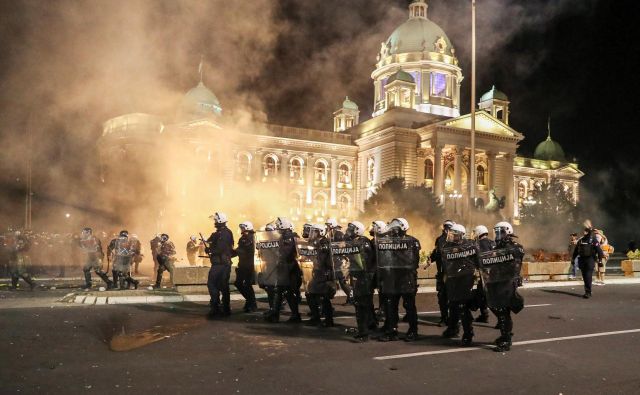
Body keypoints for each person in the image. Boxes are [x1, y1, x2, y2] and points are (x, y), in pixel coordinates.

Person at [479, 221, 526, 352]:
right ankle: (506, 334)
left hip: (507, 283)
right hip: (496, 282)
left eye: (500, 232)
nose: (497, 235)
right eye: (496, 232)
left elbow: (517, 255)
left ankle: (506, 340)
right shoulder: (496, 246)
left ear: (508, 232)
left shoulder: (514, 246)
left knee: (503, 311)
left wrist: (505, 249)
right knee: (495, 307)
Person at [377, 218, 421, 342]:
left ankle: (413, 331)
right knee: (391, 305)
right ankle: (392, 331)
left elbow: (414, 262)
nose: (393, 232)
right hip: (392, 278)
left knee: (409, 306)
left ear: (403, 229)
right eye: (392, 229)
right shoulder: (387, 242)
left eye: (395, 229)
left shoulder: (412, 241)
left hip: (406, 278)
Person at [441, 224, 478, 346]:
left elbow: (479, 261)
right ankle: (453, 329)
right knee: (452, 305)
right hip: (453, 279)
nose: (452, 237)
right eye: (451, 234)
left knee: (463, 307)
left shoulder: (470, 246)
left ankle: (468, 334)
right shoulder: (448, 246)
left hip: (465, 279)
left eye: (455, 235)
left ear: (461, 235)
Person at [263, 217, 302, 323]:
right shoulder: (284, 236)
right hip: (284, 268)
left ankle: (294, 315)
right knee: (280, 290)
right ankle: (276, 313)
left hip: (289, 269)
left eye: (279, 226)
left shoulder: (289, 237)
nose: (277, 228)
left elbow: (285, 253)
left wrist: (273, 251)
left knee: (288, 292)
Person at [343, 221, 376, 342]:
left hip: (364, 277)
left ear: (357, 230)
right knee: (363, 304)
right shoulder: (358, 241)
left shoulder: (362, 242)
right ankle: (369, 326)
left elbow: (364, 262)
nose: (348, 231)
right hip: (361, 277)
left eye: (351, 229)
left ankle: (364, 333)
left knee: (362, 305)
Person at [304, 223, 336, 327]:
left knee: (322, 297)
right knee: (312, 294)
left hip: (323, 273)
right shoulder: (317, 242)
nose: (313, 233)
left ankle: (326, 320)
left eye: (315, 231)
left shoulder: (324, 243)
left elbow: (323, 260)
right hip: (319, 272)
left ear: (321, 232)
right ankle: (318, 318)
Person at [206, 212, 234, 318]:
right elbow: (212, 242)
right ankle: (223, 308)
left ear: (220, 221)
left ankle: (216, 307)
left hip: (221, 263)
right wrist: (208, 246)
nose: (214, 222)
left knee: (212, 284)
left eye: (215, 220)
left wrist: (210, 249)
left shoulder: (225, 233)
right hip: (220, 262)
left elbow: (221, 248)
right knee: (222, 285)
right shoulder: (220, 233)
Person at [430, 220, 455, 326]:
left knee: (454, 297)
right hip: (442, 273)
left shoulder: (457, 240)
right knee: (442, 297)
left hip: (453, 274)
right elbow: (436, 252)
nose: (446, 230)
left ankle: (454, 318)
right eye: (445, 227)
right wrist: (430, 259)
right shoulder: (439, 240)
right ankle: (444, 317)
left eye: (449, 228)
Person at [326, 218, 353, 305]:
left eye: (328, 225)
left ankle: (351, 297)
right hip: (336, 259)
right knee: (335, 279)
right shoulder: (332, 233)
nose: (327, 227)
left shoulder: (338, 234)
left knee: (342, 280)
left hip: (340, 260)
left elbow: (342, 246)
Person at [572, 227, 604, 299]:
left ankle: (588, 292)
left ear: (589, 232)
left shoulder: (593, 240)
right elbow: (576, 251)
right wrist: (573, 259)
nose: (584, 233)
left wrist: (600, 261)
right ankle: (587, 290)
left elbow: (599, 251)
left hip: (590, 259)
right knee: (584, 276)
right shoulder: (580, 240)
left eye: (586, 231)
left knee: (588, 275)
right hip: (582, 260)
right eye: (584, 231)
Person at [233, 222, 257, 313]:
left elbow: (249, 251)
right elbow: (239, 250)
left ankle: (251, 303)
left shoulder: (253, 238)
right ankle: (250, 301)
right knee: (238, 283)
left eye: (243, 227)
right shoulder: (242, 238)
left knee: (247, 284)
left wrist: (237, 251)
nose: (241, 229)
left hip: (249, 265)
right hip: (242, 264)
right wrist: (229, 253)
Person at [473, 225, 494, 323]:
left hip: (485, 274)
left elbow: (481, 259)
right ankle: (484, 315)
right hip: (494, 274)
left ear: (478, 233)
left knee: (482, 296)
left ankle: (500, 319)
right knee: (484, 295)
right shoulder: (492, 242)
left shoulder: (480, 244)